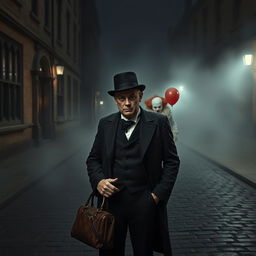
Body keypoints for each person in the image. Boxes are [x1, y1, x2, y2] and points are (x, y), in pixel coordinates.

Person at [86, 71, 180, 256]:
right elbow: (93, 159)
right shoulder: (105, 124)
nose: (127, 103)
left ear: (140, 96)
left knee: (144, 252)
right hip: (111, 205)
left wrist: (157, 196)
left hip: (144, 203)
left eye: (132, 97)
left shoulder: (159, 122)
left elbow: (172, 161)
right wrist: (99, 182)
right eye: (122, 98)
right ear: (115, 100)